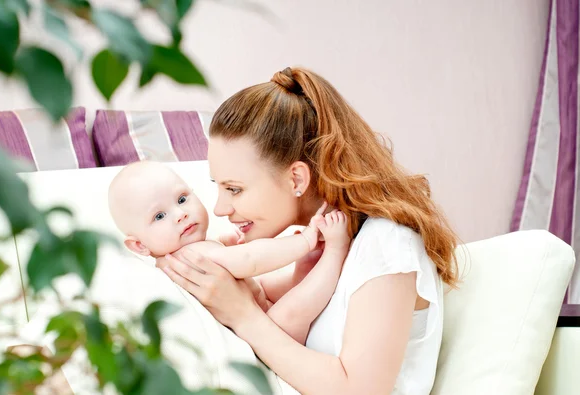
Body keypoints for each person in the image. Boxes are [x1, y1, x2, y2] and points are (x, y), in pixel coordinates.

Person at [156, 67, 459, 395]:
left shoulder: (387, 245)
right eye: (220, 187)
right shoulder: (328, 246)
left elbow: (360, 391)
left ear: (296, 179)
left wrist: (243, 316)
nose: (220, 209)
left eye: (235, 189)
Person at [108, 160, 350, 345]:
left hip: (256, 307)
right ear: (139, 246)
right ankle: (335, 252)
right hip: (267, 338)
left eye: (182, 199)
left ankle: (304, 274)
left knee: (267, 285)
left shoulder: (182, 255)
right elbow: (250, 260)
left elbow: (228, 262)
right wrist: (305, 241)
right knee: (289, 312)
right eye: (159, 216)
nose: (180, 214)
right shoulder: (190, 255)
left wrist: (228, 243)